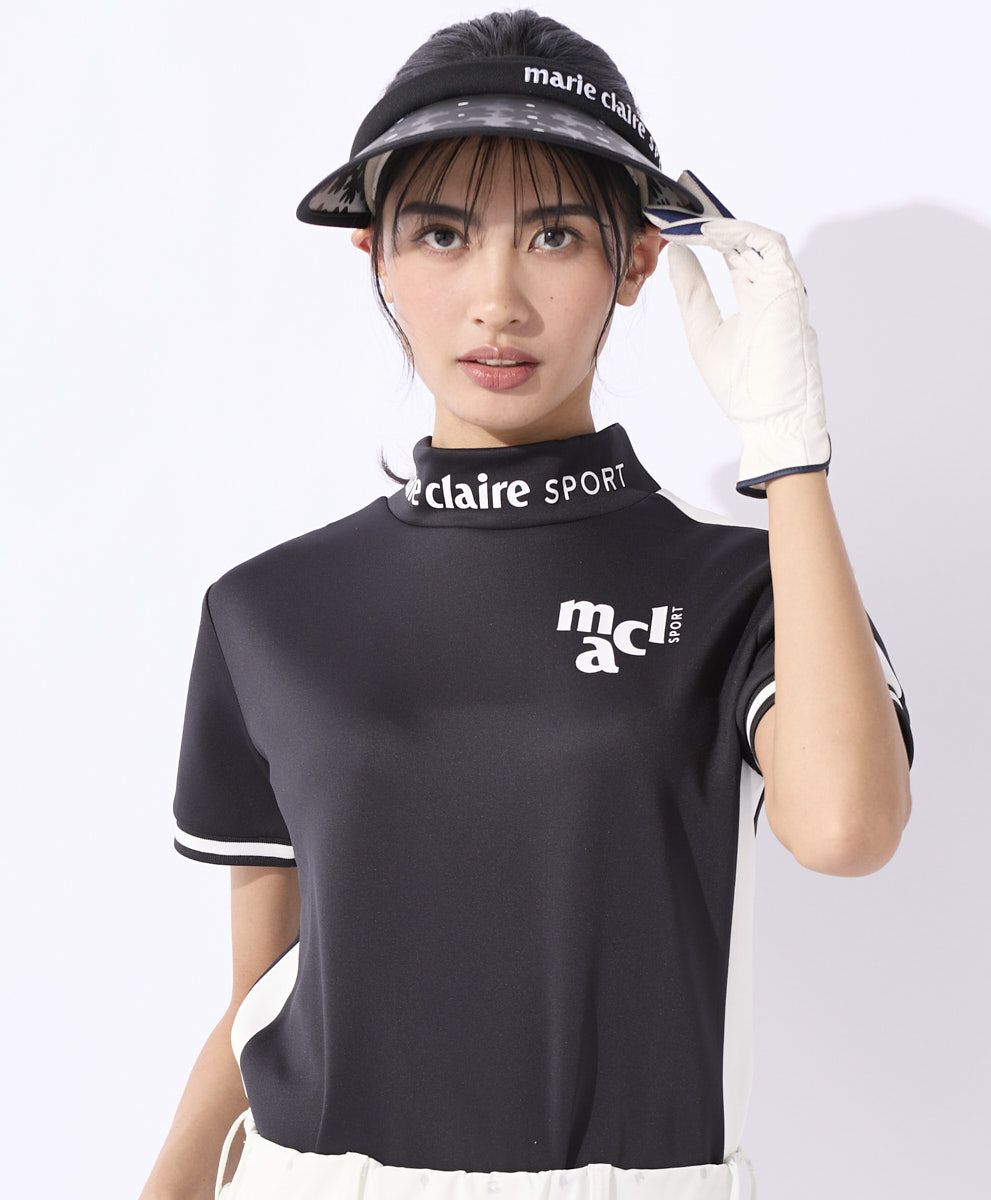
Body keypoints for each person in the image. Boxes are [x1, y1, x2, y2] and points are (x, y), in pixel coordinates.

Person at [141, 10, 915, 1200]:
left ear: (636, 262)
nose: (494, 299)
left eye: (554, 235)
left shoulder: (741, 593)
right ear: (376, 256)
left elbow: (847, 831)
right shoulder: (268, 610)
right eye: (442, 234)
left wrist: (788, 448)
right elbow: (265, 995)